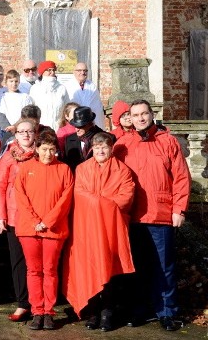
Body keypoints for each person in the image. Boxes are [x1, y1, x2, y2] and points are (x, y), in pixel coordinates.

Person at [113, 99, 191, 331]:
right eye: (135, 115)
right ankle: (140, 310)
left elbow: (181, 177)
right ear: (130, 119)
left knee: (164, 267)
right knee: (136, 267)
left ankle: (167, 311)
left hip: (161, 214)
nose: (140, 118)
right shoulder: (123, 145)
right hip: (133, 216)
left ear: (151, 114)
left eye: (144, 114)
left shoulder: (168, 142)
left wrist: (179, 209)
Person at [62, 132, 135, 332]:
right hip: (86, 228)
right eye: (98, 147)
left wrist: (99, 203)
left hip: (112, 228)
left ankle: (107, 313)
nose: (101, 150)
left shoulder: (123, 171)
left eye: (105, 147)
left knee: (109, 270)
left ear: (111, 148)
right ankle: (92, 311)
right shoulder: (82, 169)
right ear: (92, 149)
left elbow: (126, 197)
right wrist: (104, 203)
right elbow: (80, 194)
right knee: (88, 267)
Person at [14, 129, 74, 330]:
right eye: (44, 149)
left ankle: (48, 311)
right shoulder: (25, 168)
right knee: (33, 271)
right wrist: (34, 221)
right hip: (29, 229)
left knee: (49, 270)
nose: (48, 153)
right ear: (37, 149)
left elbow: (65, 200)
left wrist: (47, 221)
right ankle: (37, 311)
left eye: (52, 149)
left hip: (53, 229)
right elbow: (20, 197)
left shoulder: (64, 169)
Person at [0, 118, 36, 322]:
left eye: (29, 131)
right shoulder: (9, 156)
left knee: (36, 262)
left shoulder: (42, 154)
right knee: (18, 261)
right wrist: (1, 215)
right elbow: (0, 186)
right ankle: (23, 303)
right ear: (16, 134)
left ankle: (38, 303)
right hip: (14, 215)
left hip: (36, 216)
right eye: (21, 132)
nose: (26, 135)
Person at [62, 106, 106, 171]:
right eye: (75, 126)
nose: (77, 130)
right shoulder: (69, 141)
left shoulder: (106, 138)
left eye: (80, 126)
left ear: (90, 124)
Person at [28, 61, 69, 130]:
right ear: (42, 72)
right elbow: (31, 109)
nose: (52, 72)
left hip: (58, 128)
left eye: (53, 70)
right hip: (41, 128)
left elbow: (67, 108)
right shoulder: (35, 88)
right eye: (49, 70)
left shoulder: (61, 88)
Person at [64, 63, 105, 129]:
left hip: (90, 121)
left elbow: (97, 107)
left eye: (85, 70)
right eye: (79, 70)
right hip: (74, 121)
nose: (82, 73)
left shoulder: (92, 86)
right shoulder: (67, 86)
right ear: (74, 72)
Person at [0, 69, 34, 142]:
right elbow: (1, 116)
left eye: (16, 81)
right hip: (7, 132)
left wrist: (16, 127)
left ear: (19, 82)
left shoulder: (25, 97)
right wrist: (9, 130)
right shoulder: (3, 97)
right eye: (11, 81)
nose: (14, 84)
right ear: (6, 82)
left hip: (22, 131)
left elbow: (26, 115)